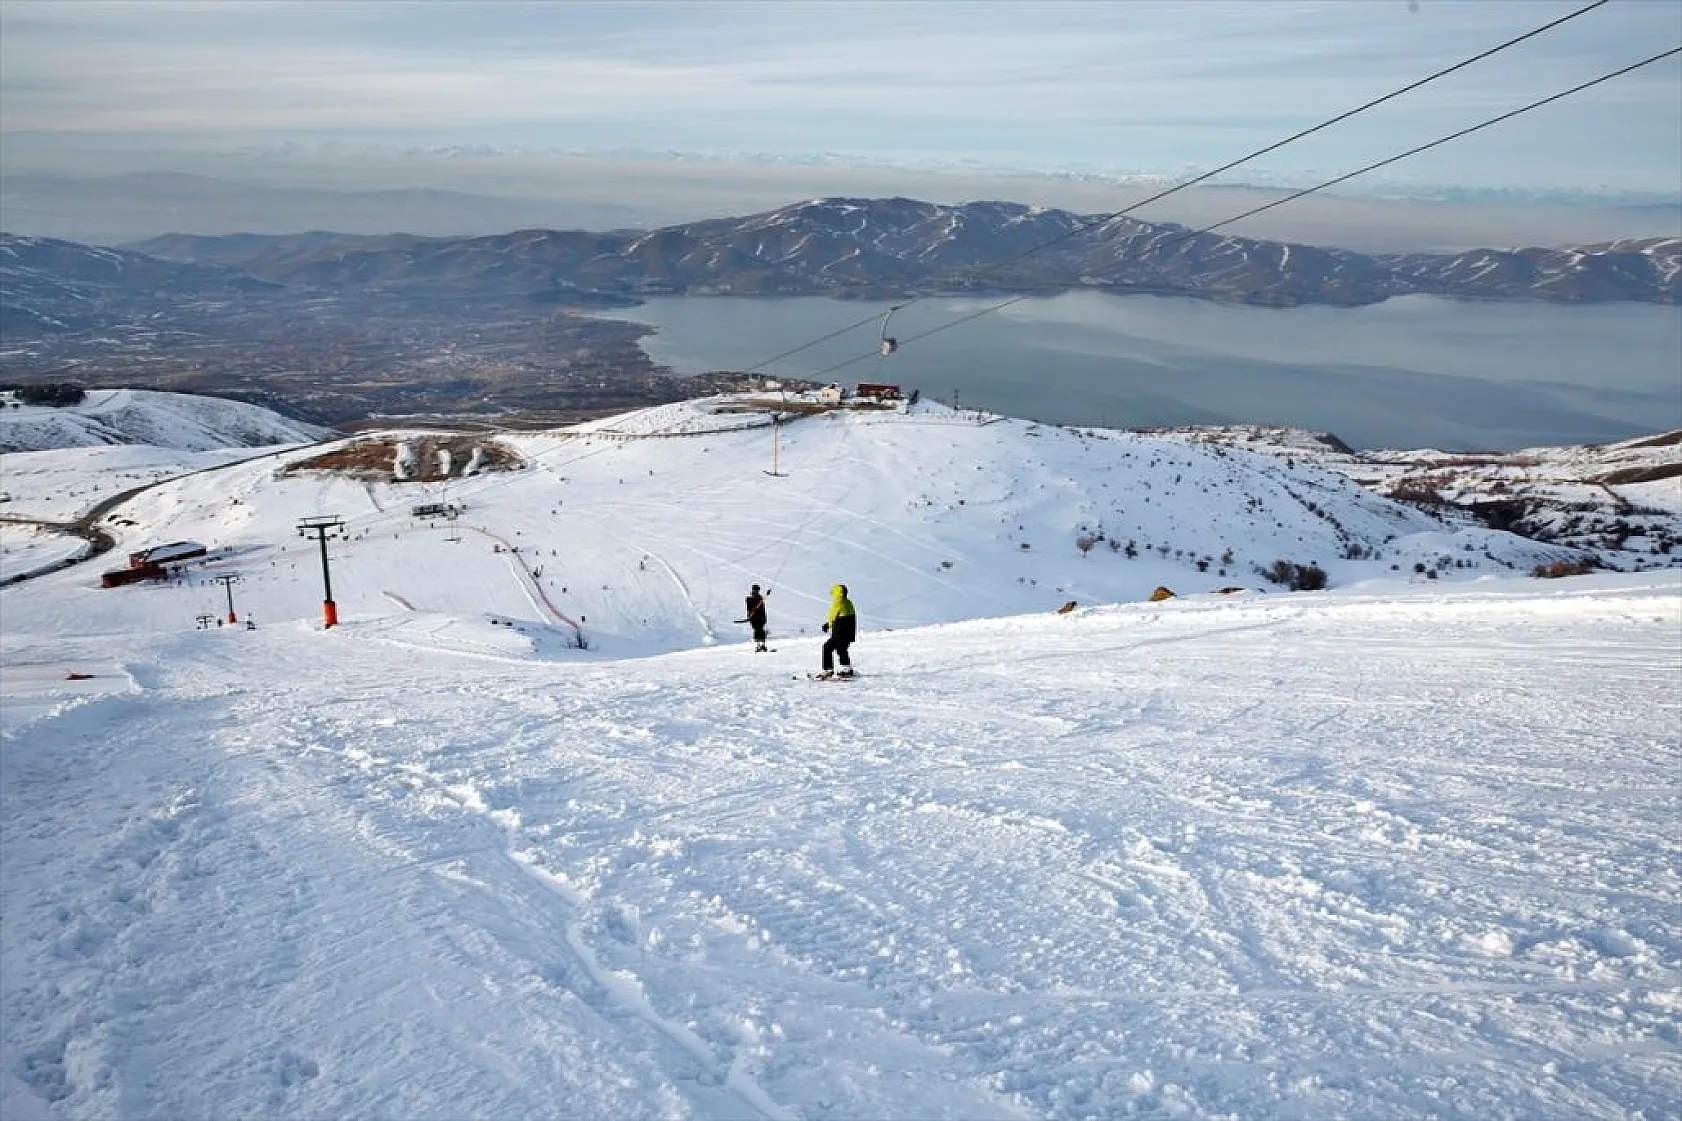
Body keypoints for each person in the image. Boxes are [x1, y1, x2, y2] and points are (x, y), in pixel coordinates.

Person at [817, 583, 856, 678]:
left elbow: (832, 616)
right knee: (842, 649)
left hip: (840, 632)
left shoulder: (837, 602)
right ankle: (847, 669)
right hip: (849, 631)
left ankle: (828, 670)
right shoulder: (848, 602)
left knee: (827, 648)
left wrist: (827, 625)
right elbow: (844, 615)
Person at [744, 584, 770, 652]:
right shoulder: (749, 599)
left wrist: (766, 595)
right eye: (755, 590)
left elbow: (762, 608)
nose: (756, 591)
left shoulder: (760, 598)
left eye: (757, 590)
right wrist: (750, 616)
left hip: (761, 618)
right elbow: (749, 609)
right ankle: (758, 646)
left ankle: (763, 645)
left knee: (761, 631)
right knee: (757, 631)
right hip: (754, 618)